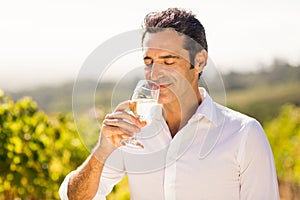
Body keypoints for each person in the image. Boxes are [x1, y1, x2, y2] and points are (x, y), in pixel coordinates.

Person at [59, 8, 280, 199]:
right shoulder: (133, 131)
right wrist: (102, 151)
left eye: (168, 60)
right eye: (149, 62)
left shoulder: (243, 134)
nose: (155, 73)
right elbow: (75, 197)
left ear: (200, 61)